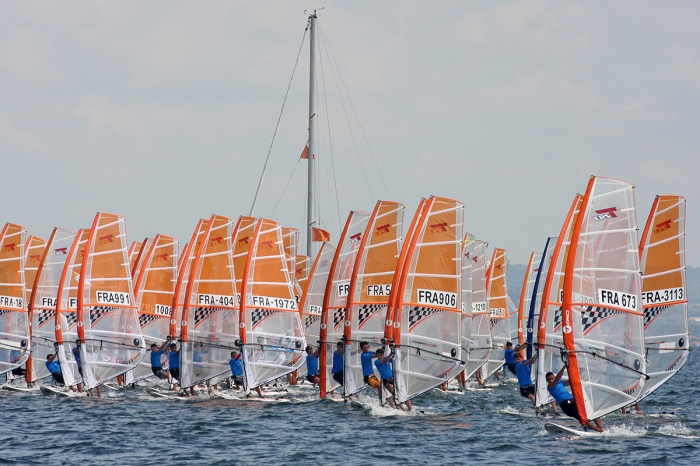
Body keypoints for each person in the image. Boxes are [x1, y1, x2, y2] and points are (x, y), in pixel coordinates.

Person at [546, 365, 604, 432]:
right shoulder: (550, 386)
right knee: (582, 418)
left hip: (574, 401)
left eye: (551, 378)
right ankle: (597, 430)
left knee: (592, 411)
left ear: (554, 377)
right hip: (566, 406)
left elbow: (572, 380)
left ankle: (601, 428)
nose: (550, 380)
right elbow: (558, 377)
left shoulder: (560, 382)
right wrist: (564, 366)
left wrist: (579, 373)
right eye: (548, 379)